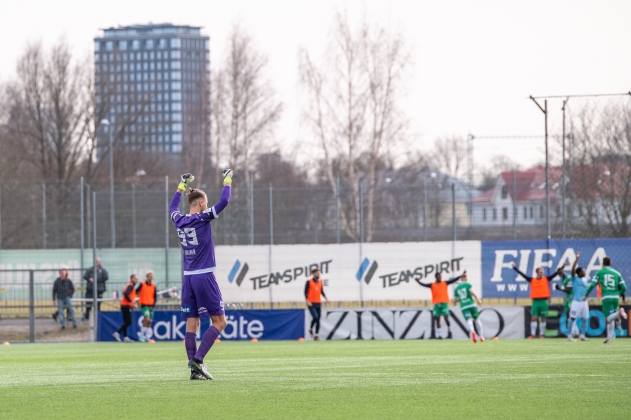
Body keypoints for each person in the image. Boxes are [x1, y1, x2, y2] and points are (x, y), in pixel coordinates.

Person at [171, 170, 232, 380]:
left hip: (188, 277)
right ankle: (198, 361)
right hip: (204, 275)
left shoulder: (179, 220)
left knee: (192, 323)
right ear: (201, 204)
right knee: (220, 322)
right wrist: (227, 178)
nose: (207, 206)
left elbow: (172, 207)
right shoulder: (202, 218)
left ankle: (194, 371)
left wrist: (181, 184)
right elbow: (224, 200)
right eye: (205, 203)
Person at [511, 263, 562, 339]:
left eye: (542, 272)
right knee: (534, 318)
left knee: (543, 318)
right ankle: (533, 334)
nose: (542, 273)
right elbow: (522, 275)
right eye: (540, 272)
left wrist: (563, 267)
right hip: (535, 301)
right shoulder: (532, 280)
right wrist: (515, 268)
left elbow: (555, 274)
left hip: (544, 301)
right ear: (537, 272)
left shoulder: (546, 279)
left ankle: (541, 334)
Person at [584, 256, 627, 344]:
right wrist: (618, 293)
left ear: (602, 264)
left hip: (606, 297)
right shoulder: (617, 273)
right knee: (612, 317)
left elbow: (592, 285)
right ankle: (609, 338)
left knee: (608, 318)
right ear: (610, 263)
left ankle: (620, 312)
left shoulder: (599, 272)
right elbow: (624, 288)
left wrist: (586, 295)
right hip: (615, 297)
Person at [415, 271, 464, 339]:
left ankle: (449, 332)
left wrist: (460, 276)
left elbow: (452, 280)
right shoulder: (432, 285)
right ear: (436, 277)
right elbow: (424, 285)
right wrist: (418, 281)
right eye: (439, 276)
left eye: (440, 276)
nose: (440, 277)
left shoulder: (444, 283)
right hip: (436, 304)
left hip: (444, 303)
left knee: (446, 319)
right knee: (438, 320)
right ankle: (440, 335)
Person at [557, 253, 590, 342]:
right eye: (583, 271)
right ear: (579, 273)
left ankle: (582, 335)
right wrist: (576, 259)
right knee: (572, 318)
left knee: (585, 319)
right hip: (576, 301)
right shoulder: (574, 279)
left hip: (584, 302)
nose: (585, 272)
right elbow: (573, 270)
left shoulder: (585, 280)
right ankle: (569, 335)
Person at [453, 272, 484, 343]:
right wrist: (478, 300)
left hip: (464, 306)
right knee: (477, 320)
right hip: (471, 304)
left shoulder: (457, 288)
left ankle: (473, 332)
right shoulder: (469, 284)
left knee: (469, 320)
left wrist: (461, 298)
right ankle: (481, 336)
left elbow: (455, 300)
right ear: (466, 278)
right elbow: (472, 292)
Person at [113, 274, 138, 342]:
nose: (137, 280)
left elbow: (125, 293)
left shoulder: (129, 285)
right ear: (132, 279)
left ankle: (125, 337)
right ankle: (117, 332)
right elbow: (126, 293)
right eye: (136, 278)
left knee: (125, 322)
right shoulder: (131, 285)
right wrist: (131, 301)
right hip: (126, 305)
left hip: (124, 305)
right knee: (129, 321)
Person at [305, 268, 329, 341]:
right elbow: (305, 292)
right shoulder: (309, 282)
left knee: (318, 319)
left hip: (318, 302)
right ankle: (310, 329)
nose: (319, 274)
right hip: (311, 303)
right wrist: (307, 301)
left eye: (319, 273)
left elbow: (322, 291)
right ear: (313, 273)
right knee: (315, 317)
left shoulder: (320, 282)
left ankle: (316, 335)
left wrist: (326, 298)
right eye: (317, 273)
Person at [556, 267, 580, 338]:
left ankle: (575, 332)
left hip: (571, 297)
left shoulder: (569, 277)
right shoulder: (563, 279)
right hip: (568, 297)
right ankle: (573, 332)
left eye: (561, 272)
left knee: (571, 315)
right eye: (559, 273)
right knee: (568, 315)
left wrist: (559, 289)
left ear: (564, 271)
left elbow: (569, 290)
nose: (560, 273)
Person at [136, 271, 157, 343]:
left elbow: (155, 297)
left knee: (149, 321)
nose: (151, 277)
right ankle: (141, 336)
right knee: (147, 320)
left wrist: (153, 305)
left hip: (151, 305)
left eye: (152, 276)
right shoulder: (142, 284)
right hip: (144, 304)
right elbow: (136, 291)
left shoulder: (153, 286)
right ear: (147, 277)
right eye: (150, 276)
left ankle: (147, 337)